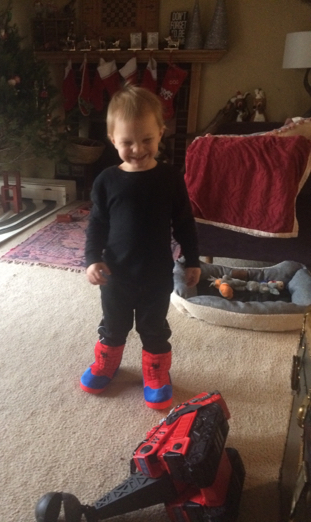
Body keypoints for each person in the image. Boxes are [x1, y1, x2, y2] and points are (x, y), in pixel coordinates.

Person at [80, 85, 201, 410]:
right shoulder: (106, 180)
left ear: (161, 132)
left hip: (156, 275)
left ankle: (156, 372)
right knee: (114, 324)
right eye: (127, 142)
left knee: (154, 327)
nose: (137, 149)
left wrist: (192, 259)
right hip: (115, 274)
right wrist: (91, 259)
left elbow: (185, 222)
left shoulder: (170, 178)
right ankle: (107, 362)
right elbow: (97, 224)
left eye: (147, 139)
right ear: (112, 139)